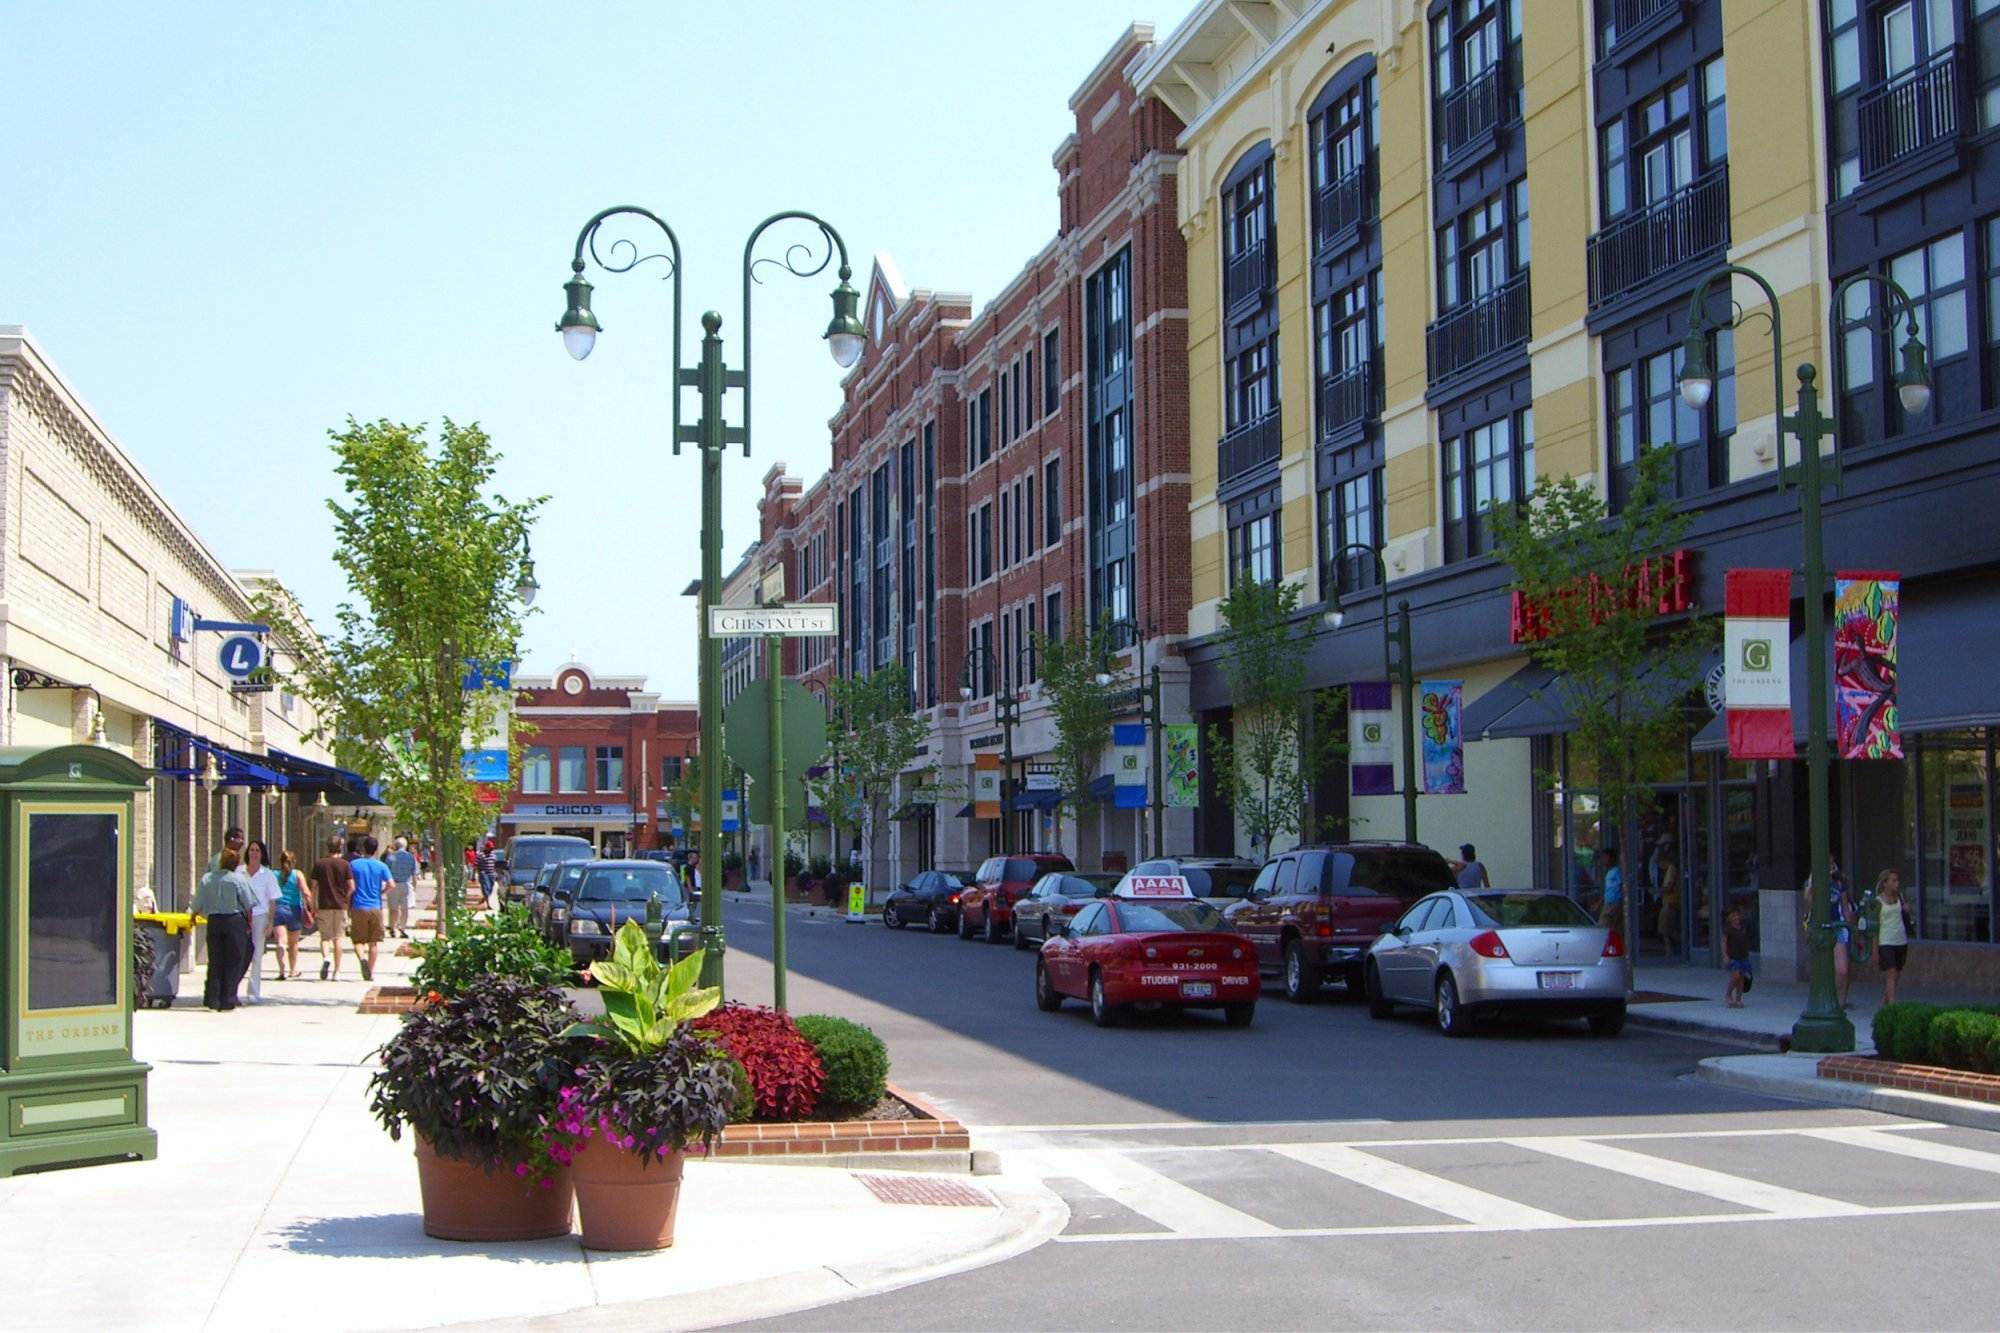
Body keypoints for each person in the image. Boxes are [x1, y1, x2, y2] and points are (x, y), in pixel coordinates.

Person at [194, 848, 255, 1010]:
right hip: (234, 921)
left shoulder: (207, 878)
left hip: (214, 921)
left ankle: (212, 998)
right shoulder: (239, 879)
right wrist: (250, 923)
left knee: (215, 960)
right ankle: (228, 998)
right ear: (236, 864)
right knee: (234, 960)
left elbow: (197, 901)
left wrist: (193, 914)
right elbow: (248, 903)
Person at [1803, 860, 1857, 1008]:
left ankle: (1841, 1002)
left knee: (1842, 970)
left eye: (1832, 864)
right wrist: (1815, 881)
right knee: (1823, 968)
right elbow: (1810, 902)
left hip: (1838, 926)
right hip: (1820, 928)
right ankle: (1825, 1000)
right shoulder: (1813, 883)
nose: (1830, 868)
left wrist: (1852, 929)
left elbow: (1845, 908)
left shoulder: (1839, 884)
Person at [242, 840, 283, 1002]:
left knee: (256, 955)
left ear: (262, 854)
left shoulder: (268, 875)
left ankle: (253, 993)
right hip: (241, 916)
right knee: (238, 955)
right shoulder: (239, 872)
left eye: (257, 850)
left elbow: (273, 901)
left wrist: (270, 923)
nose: (253, 853)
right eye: (251, 850)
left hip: (260, 917)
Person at [310, 836, 355, 981]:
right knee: (338, 938)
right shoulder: (344, 864)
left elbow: (314, 887)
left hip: (324, 904)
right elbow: (351, 887)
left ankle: (326, 958)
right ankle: (337, 971)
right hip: (340, 905)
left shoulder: (320, 864)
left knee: (325, 938)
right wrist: (346, 900)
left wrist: (313, 905)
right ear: (340, 848)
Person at [348, 835, 390, 982]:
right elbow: (391, 884)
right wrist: (381, 892)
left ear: (363, 849)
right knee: (374, 942)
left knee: (358, 940)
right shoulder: (381, 866)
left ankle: (362, 959)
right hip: (375, 906)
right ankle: (370, 973)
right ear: (376, 849)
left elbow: (350, 885)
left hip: (358, 905)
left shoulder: (354, 865)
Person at [272, 848, 313, 981]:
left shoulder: (274, 874)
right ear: (293, 862)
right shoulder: (297, 874)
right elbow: (306, 893)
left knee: (280, 942)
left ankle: (281, 970)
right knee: (294, 943)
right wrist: (311, 907)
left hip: (278, 909)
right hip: (294, 910)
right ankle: (293, 970)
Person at [1876, 869, 1911, 1005]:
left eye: (1897, 880)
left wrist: (1907, 910)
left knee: (1897, 972)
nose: (1897, 883)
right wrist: (1875, 949)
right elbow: (1875, 926)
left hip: (1900, 938)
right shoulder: (1878, 901)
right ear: (1885, 883)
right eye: (1893, 881)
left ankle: (1885, 1000)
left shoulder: (1900, 897)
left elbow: (1906, 916)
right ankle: (1892, 1004)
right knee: (1890, 971)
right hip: (1886, 939)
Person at [384, 836, 418, 939]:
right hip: (406, 884)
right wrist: (414, 887)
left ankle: (392, 928)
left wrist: (386, 885)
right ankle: (402, 928)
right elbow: (414, 874)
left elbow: (386, 872)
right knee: (405, 908)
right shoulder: (410, 857)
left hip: (393, 884)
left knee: (393, 908)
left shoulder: (391, 857)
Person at [1722, 906, 1753, 1008]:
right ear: (1729, 918)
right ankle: (1728, 994)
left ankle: (1738, 999)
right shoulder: (1728, 930)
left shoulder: (1743, 928)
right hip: (1733, 957)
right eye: (1733, 916)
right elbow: (1724, 942)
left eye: (1737, 915)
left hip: (1743, 956)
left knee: (1741, 978)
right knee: (1735, 976)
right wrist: (1725, 955)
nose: (1735, 918)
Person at [1655, 848, 1683, 954]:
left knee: (1666, 929)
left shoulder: (1671, 869)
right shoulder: (1671, 869)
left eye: (1660, 863)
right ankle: (1669, 949)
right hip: (1670, 902)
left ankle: (1675, 948)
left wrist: (1656, 891)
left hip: (1670, 903)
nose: (1660, 866)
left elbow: (1669, 887)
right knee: (1666, 929)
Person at [1596, 847, 1624, 929]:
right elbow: (1608, 890)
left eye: (1605, 857)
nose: (1603, 860)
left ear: (1612, 858)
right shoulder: (1609, 872)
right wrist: (1600, 903)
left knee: (1603, 926)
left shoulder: (1617, 871)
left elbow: (1622, 886)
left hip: (1614, 903)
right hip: (1608, 903)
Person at [476, 839, 498, 908]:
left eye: (492, 848)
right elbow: (476, 864)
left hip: (492, 874)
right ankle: (488, 904)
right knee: (486, 888)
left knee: (491, 889)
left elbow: (495, 864)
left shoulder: (493, 855)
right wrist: (477, 874)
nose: (491, 849)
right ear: (486, 847)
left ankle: (484, 898)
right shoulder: (481, 855)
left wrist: (496, 873)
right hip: (484, 874)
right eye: (490, 848)